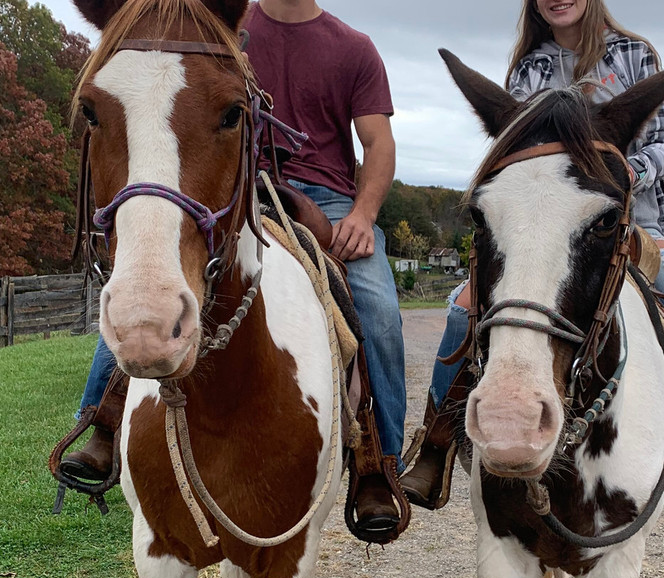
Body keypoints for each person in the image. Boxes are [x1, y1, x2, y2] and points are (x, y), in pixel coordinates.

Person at [401, 0, 664, 544]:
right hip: (545, 224)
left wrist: (609, 174)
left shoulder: (635, 55)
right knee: (460, 313)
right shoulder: (530, 69)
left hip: (633, 220)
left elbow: (663, 145)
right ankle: (437, 444)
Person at [63, 0, 408, 532]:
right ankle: (104, 424)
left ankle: (375, 465)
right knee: (148, 277)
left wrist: (363, 214)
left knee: (379, 309)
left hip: (329, 198)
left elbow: (377, 142)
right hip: (235, 182)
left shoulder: (354, 48)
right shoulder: (217, 29)